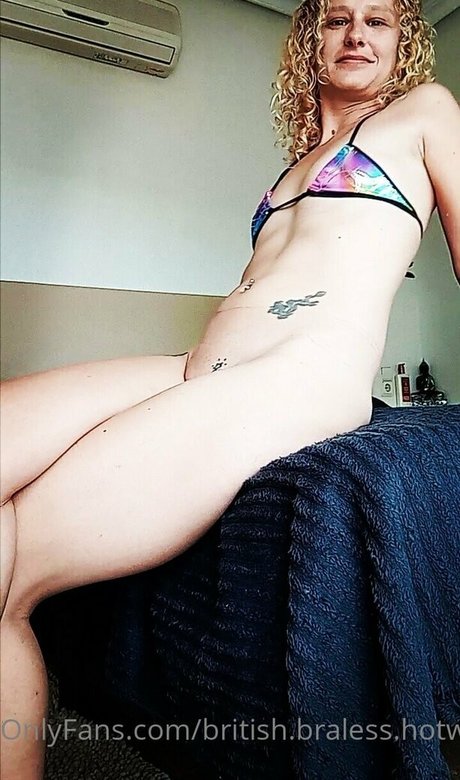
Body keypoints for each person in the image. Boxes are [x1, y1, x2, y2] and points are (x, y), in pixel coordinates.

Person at [1, 0, 459, 777]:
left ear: (403, 40)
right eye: (336, 19)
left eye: (377, 20)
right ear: (310, 40)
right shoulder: (300, 160)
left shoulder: (426, 112)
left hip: (298, 373)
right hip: (201, 363)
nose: (355, 34)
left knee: (9, 575)